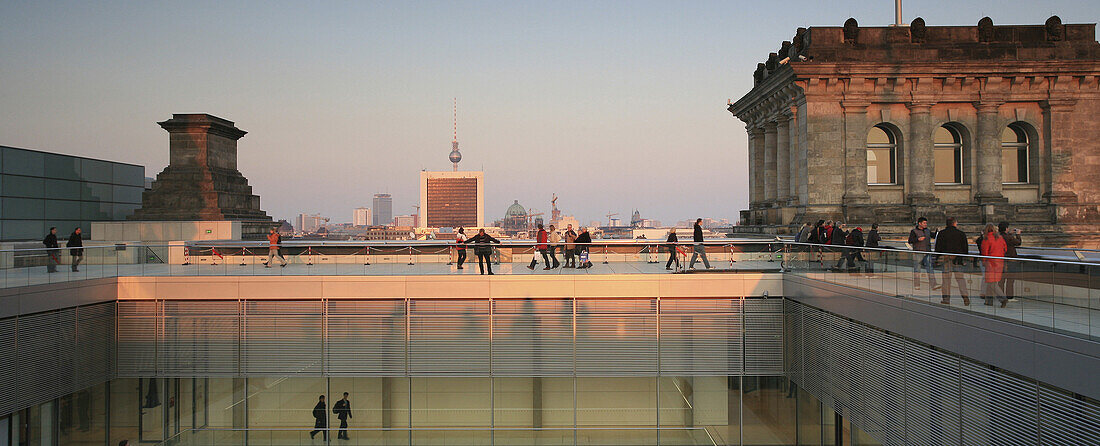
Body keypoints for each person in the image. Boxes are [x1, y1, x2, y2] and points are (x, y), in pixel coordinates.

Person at [934, 217, 970, 306]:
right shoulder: (961, 234)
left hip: (946, 259)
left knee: (946, 280)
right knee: (961, 280)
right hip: (957, 260)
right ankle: (965, 297)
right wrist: (963, 259)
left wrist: (938, 258)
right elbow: (965, 248)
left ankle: (946, 299)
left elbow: (937, 248)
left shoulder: (942, 234)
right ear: (954, 223)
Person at [980, 224, 1009, 307]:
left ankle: (1003, 298)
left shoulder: (986, 239)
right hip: (999, 262)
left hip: (990, 263)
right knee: (992, 281)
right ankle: (988, 301)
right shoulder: (1000, 238)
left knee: (991, 282)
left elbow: (984, 252)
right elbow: (1005, 248)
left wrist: (984, 262)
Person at [908, 217, 939, 291]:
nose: (926, 224)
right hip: (918, 252)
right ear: (919, 223)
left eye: (926, 223)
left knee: (930, 268)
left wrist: (937, 232)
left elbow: (933, 236)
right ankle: (917, 285)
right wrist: (917, 239)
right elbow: (910, 241)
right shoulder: (914, 231)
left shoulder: (927, 230)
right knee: (917, 269)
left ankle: (933, 284)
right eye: (924, 223)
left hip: (927, 252)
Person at [998, 222, 1022, 300]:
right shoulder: (1008, 237)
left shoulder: (999, 236)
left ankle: (1000, 294)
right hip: (1011, 259)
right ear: (1006, 229)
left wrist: (1010, 234)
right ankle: (1009, 296)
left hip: (1001, 260)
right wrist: (1018, 234)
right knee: (1010, 279)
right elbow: (1018, 243)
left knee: (1002, 279)